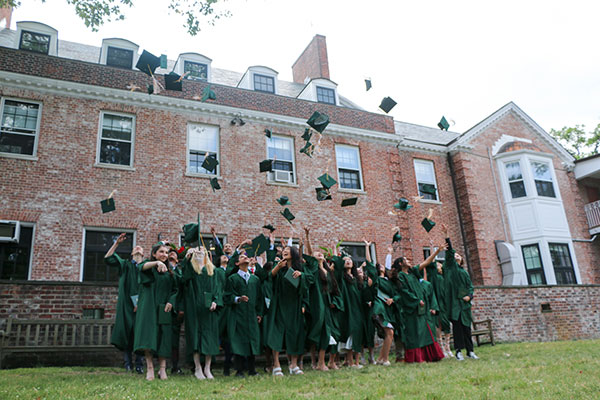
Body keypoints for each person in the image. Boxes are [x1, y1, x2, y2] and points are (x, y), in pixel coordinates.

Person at [390, 243, 446, 363]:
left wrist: (437, 252)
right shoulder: (400, 276)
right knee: (415, 332)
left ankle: (431, 356)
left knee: (426, 331)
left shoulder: (413, 272)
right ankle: (416, 358)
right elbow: (403, 291)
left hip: (423, 308)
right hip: (412, 309)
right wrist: (416, 300)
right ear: (400, 263)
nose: (409, 261)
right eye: (406, 260)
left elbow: (426, 262)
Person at [133, 242, 178, 381]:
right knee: (149, 336)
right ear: (154, 254)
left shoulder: (170, 273)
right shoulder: (149, 267)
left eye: (166, 253)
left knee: (163, 337)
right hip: (149, 308)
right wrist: (156, 263)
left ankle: (163, 369)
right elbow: (141, 266)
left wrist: (171, 301)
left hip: (163, 307)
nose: (164, 255)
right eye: (161, 252)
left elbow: (175, 290)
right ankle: (150, 368)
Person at [104, 233, 144, 374]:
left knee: (140, 334)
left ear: (143, 254)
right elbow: (108, 258)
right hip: (126, 306)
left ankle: (139, 364)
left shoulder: (146, 267)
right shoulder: (125, 265)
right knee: (127, 333)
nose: (138, 248)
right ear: (132, 253)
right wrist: (116, 244)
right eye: (135, 248)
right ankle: (128, 363)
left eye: (140, 248)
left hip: (142, 306)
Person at [180, 246, 222, 379]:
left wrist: (215, 301)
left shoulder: (212, 270)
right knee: (195, 337)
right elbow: (184, 279)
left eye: (202, 251)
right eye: (197, 251)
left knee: (209, 337)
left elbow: (218, 289)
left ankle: (207, 368)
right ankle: (197, 368)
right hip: (194, 308)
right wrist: (187, 259)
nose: (200, 253)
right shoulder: (191, 269)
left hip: (208, 309)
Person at [266, 245, 307, 376]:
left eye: (287, 251)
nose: (284, 252)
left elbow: (307, 285)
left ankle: (293, 365)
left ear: (294, 254)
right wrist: (278, 267)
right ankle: (276, 364)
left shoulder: (299, 268)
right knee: (276, 333)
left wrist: (301, 275)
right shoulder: (280, 267)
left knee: (294, 333)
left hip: (294, 305)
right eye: (283, 251)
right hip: (279, 303)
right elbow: (269, 277)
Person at [441, 224, 479, 361]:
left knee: (467, 329)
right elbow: (450, 252)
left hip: (465, 304)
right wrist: (447, 235)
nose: (456, 255)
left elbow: (470, 287)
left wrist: (469, 296)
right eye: (455, 255)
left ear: (462, 260)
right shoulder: (450, 267)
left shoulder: (464, 273)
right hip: (455, 304)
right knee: (457, 329)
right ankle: (458, 351)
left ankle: (470, 351)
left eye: (459, 255)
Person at [224, 252, 263, 377]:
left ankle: (252, 369)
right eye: (242, 257)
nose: (245, 257)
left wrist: (259, 313)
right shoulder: (232, 279)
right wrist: (237, 299)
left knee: (252, 340)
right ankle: (239, 370)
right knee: (238, 341)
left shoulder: (255, 279)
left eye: (246, 256)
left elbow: (259, 298)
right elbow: (227, 296)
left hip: (251, 315)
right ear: (237, 263)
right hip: (238, 315)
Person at [363, 243, 397, 366]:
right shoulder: (376, 280)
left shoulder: (389, 282)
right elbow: (369, 263)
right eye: (380, 266)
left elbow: (388, 266)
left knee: (389, 333)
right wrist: (367, 247)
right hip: (379, 309)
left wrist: (389, 253)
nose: (382, 267)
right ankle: (385, 359)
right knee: (390, 332)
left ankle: (381, 359)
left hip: (388, 310)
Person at [330, 247, 365, 368]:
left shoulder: (357, 279)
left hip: (357, 310)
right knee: (350, 332)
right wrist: (335, 250)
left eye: (350, 259)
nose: (348, 261)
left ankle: (356, 361)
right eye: (345, 260)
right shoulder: (341, 278)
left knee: (357, 333)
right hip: (347, 309)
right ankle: (350, 362)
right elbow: (337, 266)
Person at [168, 248, 185, 375]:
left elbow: (182, 289)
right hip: (163, 306)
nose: (171, 254)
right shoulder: (161, 268)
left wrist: (181, 309)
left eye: (174, 253)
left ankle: (175, 366)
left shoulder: (180, 271)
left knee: (174, 339)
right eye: (170, 252)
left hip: (176, 309)